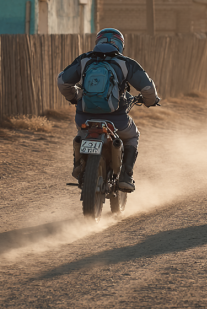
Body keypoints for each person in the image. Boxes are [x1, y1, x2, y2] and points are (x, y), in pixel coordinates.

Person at [57, 28, 160, 191]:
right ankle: (126, 176)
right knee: (133, 136)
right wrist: (150, 101)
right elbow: (147, 88)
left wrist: (73, 97)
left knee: (81, 134)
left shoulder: (85, 60)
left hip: (84, 117)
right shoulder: (126, 63)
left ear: (98, 42)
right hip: (117, 119)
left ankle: (78, 164)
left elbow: (62, 81)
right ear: (120, 45)